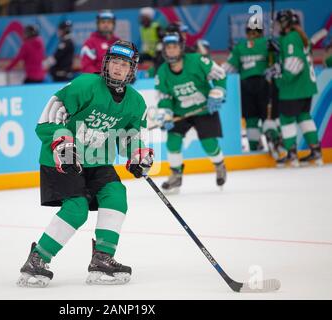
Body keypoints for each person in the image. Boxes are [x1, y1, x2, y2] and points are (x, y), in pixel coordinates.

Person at [17, 40, 154, 287]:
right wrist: (62, 144)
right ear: (106, 63)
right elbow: (48, 119)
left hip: (97, 160)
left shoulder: (136, 102)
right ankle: (37, 260)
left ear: (132, 70)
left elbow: (130, 137)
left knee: (116, 194)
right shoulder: (85, 85)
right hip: (62, 158)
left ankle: (102, 259)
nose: (117, 68)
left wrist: (137, 155)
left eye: (124, 64)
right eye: (114, 61)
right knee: (77, 209)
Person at [153, 32, 227, 193]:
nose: (171, 50)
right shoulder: (162, 72)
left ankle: (219, 165)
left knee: (209, 144)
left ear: (181, 48)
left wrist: (218, 91)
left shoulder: (197, 60)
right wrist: (166, 114)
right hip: (181, 112)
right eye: (168, 47)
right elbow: (165, 97)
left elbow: (220, 74)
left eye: (174, 47)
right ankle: (176, 176)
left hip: (204, 109)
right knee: (172, 141)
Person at [222, 16, 282, 158]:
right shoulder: (268, 43)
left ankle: (254, 150)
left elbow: (228, 68)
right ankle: (274, 140)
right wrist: (274, 55)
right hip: (265, 84)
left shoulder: (240, 46)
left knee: (251, 120)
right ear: (261, 31)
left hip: (245, 86)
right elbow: (279, 64)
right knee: (268, 117)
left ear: (246, 32)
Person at [268, 10, 322, 166]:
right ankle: (316, 152)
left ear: (285, 23)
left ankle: (292, 155)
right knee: (303, 117)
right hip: (306, 88)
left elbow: (294, 66)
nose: (278, 25)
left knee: (286, 118)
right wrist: (278, 50)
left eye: (279, 23)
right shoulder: (298, 36)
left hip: (293, 89)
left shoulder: (290, 38)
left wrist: (277, 75)